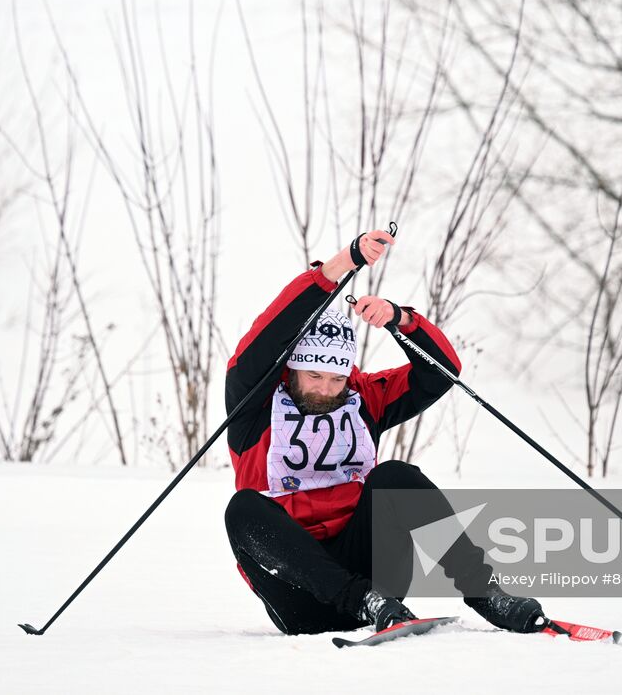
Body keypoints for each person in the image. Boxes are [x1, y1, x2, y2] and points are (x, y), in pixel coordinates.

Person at [223, 228, 547, 635]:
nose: (326, 389)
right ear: (291, 368)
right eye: (314, 375)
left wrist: (402, 320)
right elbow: (266, 337)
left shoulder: (364, 398)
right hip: (302, 592)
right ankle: (361, 601)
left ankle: (486, 594)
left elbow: (439, 374)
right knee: (243, 509)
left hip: (381, 584)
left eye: (337, 378)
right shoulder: (253, 404)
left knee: (395, 476)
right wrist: (342, 264)